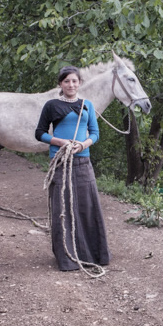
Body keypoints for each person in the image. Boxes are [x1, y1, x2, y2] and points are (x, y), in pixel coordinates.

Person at [34, 65, 110, 271]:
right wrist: (59, 142)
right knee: (63, 207)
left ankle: (93, 253)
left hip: (83, 161)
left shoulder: (88, 105)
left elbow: (95, 133)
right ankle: (67, 257)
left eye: (74, 81)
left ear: (80, 83)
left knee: (87, 205)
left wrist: (82, 145)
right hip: (60, 161)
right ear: (60, 84)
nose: (71, 84)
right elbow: (39, 133)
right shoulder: (51, 105)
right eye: (66, 81)